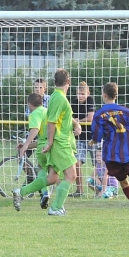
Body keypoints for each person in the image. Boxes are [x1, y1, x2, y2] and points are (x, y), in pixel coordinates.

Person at [89, 82, 129, 214]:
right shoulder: (126, 111)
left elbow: (97, 135)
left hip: (112, 154)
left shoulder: (99, 114)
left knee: (124, 184)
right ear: (116, 95)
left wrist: (93, 140)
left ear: (104, 95)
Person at [42, 68, 81, 216]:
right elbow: (51, 122)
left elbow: (62, 118)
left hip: (62, 142)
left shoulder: (57, 97)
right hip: (59, 142)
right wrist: (50, 142)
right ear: (68, 82)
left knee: (54, 177)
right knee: (71, 175)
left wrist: (76, 125)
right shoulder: (59, 98)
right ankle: (55, 207)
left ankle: (57, 205)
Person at [12, 93, 51, 210]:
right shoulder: (47, 111)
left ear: (29, 104)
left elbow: (35, 129)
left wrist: (26, 144)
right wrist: (26, 145)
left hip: (43, 148)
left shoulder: (34, 114)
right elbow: (42, 139)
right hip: (52, 146)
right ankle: (45, 194)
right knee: (52, 174)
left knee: (41, 169)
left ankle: (23, 192)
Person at [69, 81, 96, 197]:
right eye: (78, 94)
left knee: (99, 164)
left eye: (82, 94)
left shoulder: (90, 100)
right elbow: (69, 118)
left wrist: (77, 121)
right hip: (80, 139)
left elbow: (90, 118)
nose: (80, 96)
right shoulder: (73, 103)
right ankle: (80, 190)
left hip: (93, 138)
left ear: (88, 93)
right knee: (77, 163)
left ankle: (103, 188)